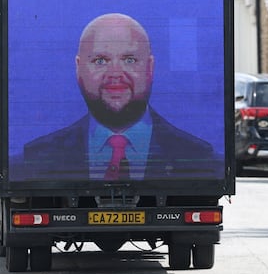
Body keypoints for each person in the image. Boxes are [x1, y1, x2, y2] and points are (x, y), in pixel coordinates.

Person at [17, 13, 222, 181]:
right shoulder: (35, 159)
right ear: (78, 69)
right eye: (100, 60)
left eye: (130, 59)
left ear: (150, 68)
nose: (115, 73)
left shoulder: (199, 157)